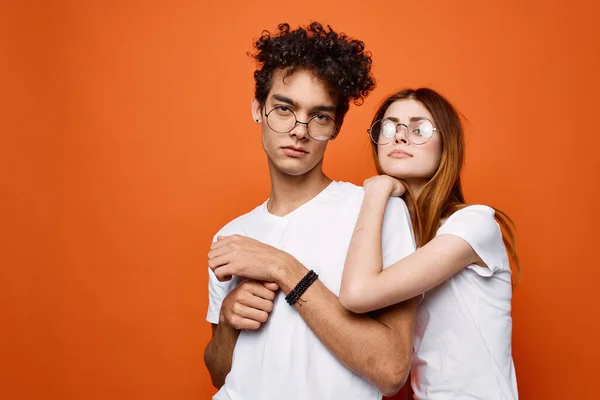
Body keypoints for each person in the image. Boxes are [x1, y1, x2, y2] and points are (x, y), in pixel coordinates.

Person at [203, 22, 420, 400]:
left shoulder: (375, 212)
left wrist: (283, 268)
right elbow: (220, 375)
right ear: (258, 108)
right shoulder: (232, 235)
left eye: (319, 116)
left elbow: (391, 370)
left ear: (335, 126)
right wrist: (227, 323)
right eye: (284, 109)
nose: (300, 130)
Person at [340, 88, 520, 399]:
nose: (399, 137)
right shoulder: (390, 239)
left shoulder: (473, 224)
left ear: (445, 145)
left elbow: (357, 294)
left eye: (419, 129)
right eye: (388, 126)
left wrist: (376, 191)